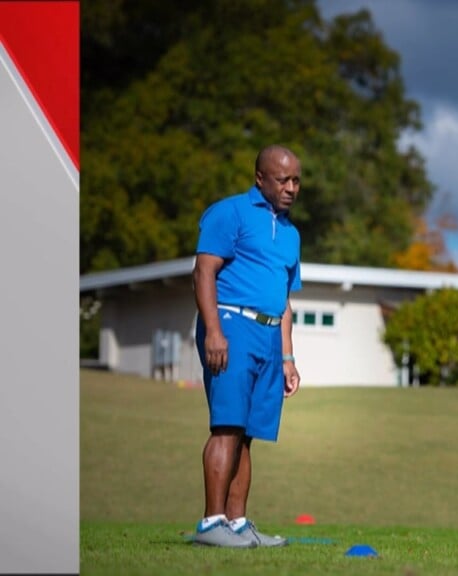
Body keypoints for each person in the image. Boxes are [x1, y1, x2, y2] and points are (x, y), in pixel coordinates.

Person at [191, 145, 303, 548]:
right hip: (231, 325)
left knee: (248, 433)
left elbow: (284, 299)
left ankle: (236, 524)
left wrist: (287, 357)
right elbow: (203, 272)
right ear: (260, 178)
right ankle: (211, 524)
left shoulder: (291, 233)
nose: (291, 188)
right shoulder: (229, 213)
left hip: (269, 335)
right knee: (227, 426)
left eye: (296, 181)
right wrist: (213, 331)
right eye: (283, 180)